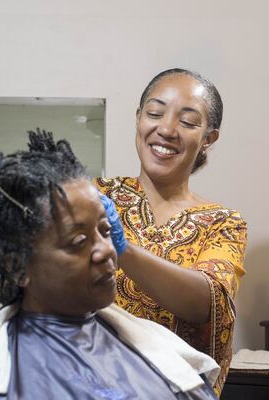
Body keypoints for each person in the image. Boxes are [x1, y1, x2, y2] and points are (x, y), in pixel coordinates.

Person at [0, 130, 219, 399]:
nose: (105, 251)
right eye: (78, 240)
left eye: (105, 231)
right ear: (17, 267)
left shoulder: (166, 357)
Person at [95, 68, 247, 395]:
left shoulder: (222, 222)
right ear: (138, 118)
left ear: (209, 138)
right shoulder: (94, 197)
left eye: (188, 122)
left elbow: (208, 303)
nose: (166, 129)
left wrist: (122, 250)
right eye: (154, 113)